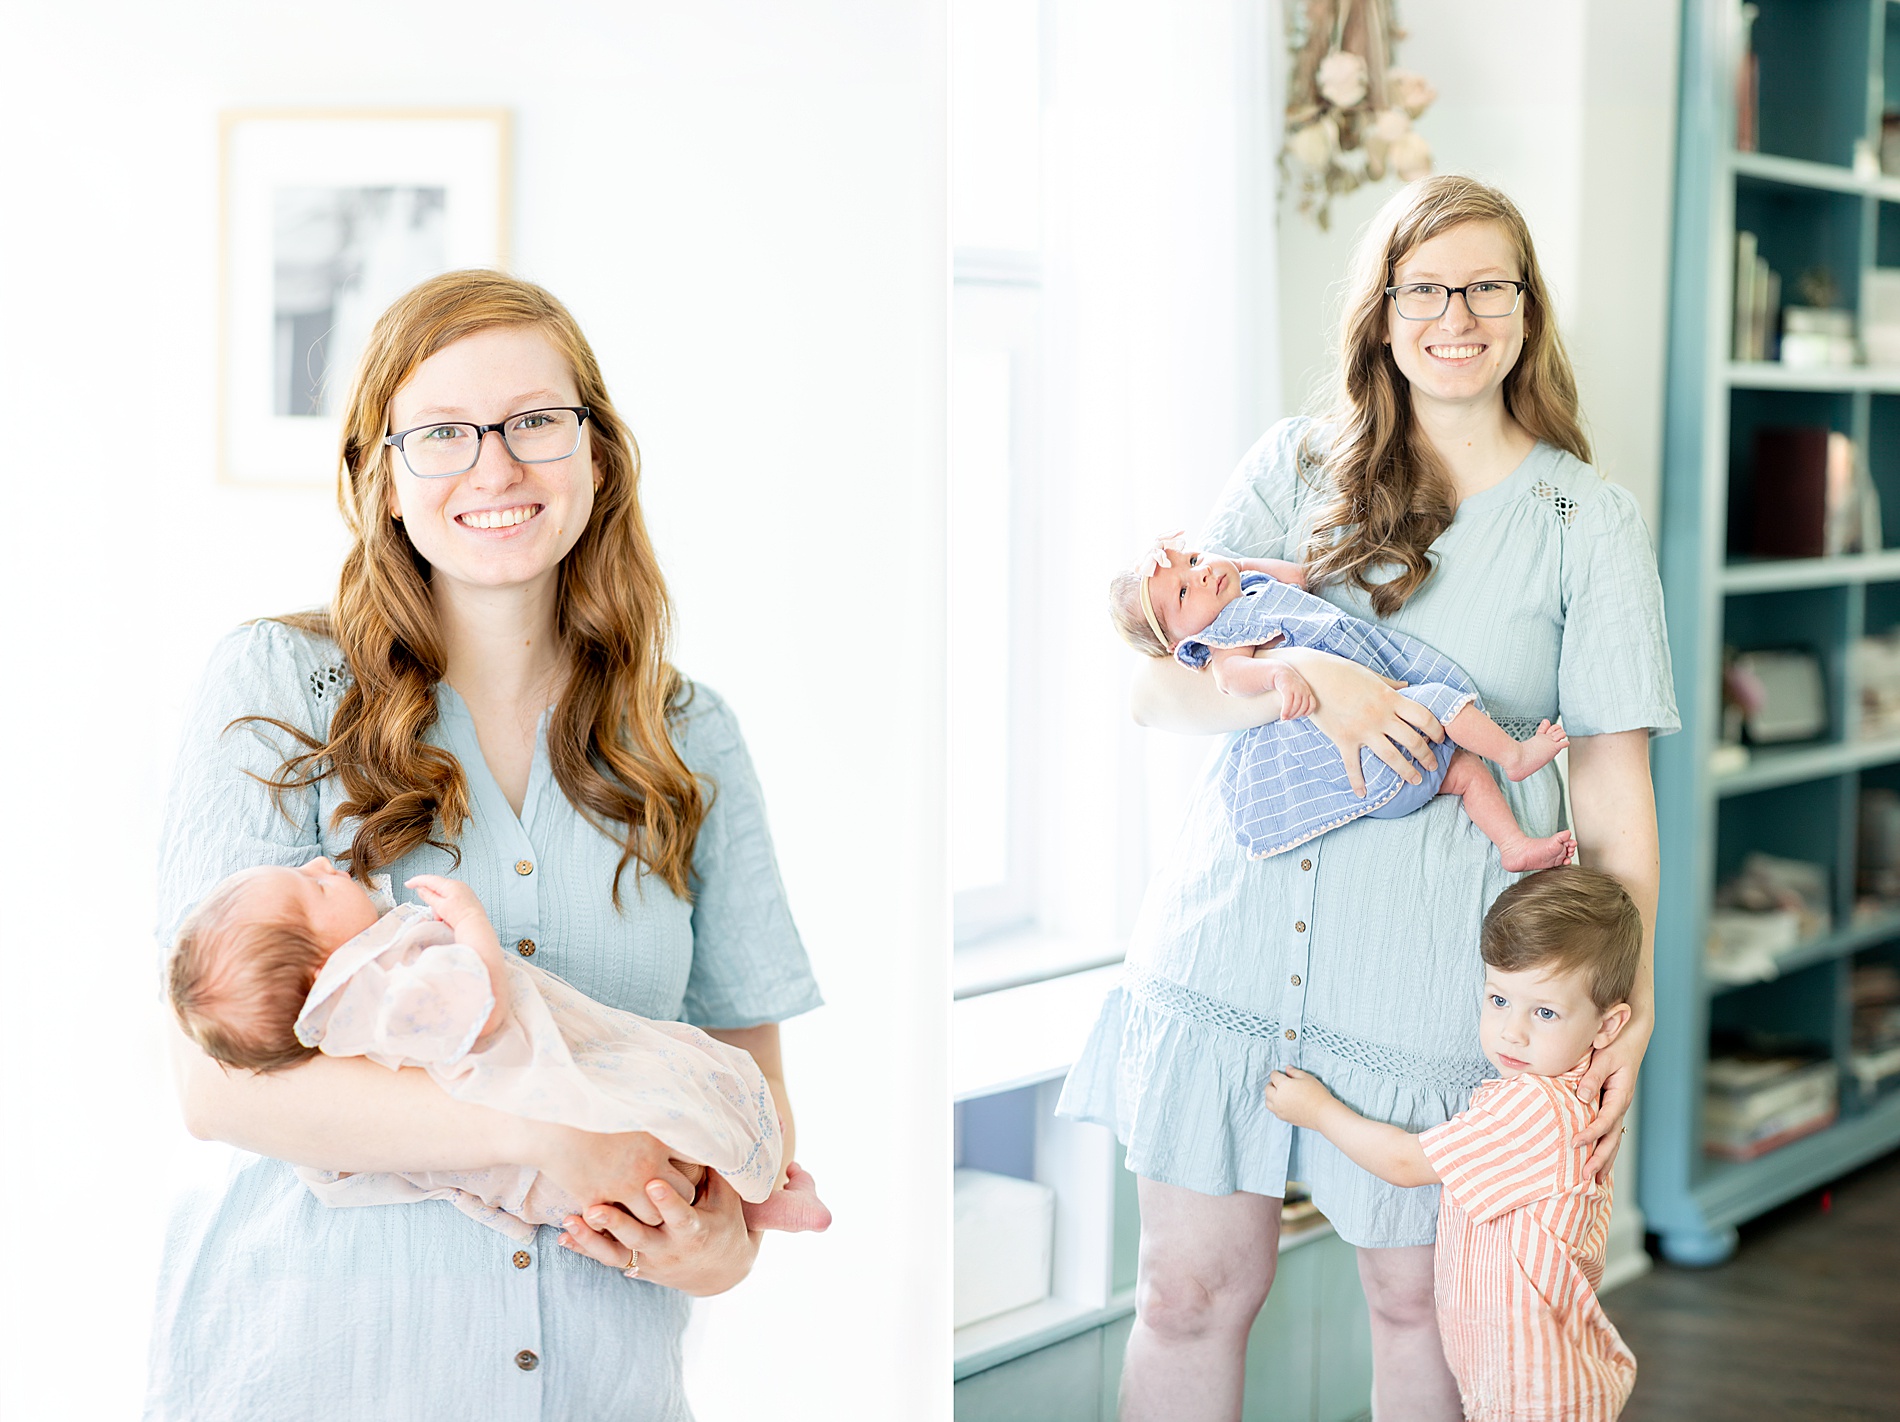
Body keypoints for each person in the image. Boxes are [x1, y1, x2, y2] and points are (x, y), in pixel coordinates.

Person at [148, 270, 822, 1421]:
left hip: (603, 1380)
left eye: (534, 423)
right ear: (382, 474)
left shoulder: (689, 736)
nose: (496, 467)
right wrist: (542, 1136)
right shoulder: (276, 686)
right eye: (444, 432)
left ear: (596, 454)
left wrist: (722, 1250)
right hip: (317, 1366)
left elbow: (747, 1074)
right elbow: (217, 1086)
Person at [1056, 173, 1677, 1422]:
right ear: (1381, 313)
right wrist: (1303, 679)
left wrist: (1631, 995)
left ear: (1525, 306)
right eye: (1425, 287)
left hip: (1438, 984)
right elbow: (1154, 694)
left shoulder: (1585, 520)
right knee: (1185, 1298)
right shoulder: (1291, 470)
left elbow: (1609, 781)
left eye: (1487, 284)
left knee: (1421, 1314)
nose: (1458, 313)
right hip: (1226, 953)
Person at [166, 861, 831, 1240]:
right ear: (319, 974)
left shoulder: (360, 1003)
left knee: (655, 1143)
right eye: (311, 891)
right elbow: (480, 1009)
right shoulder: (369, 996)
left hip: (544, 1169)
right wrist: (469, 923)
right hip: (542, 1124)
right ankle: (756, 1191)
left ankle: (753, 1197)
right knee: (654, 1107)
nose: (318, 866)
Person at [1263, 868, 1640, 1422]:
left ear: (1608, 1028)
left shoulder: (1535, 1107)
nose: (1512, 1032)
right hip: (1529, 1374)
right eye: (1498, 999)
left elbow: (1405, 1161)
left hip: (1537, 1390)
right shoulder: (1561, 1090)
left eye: (1544, 1012)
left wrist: (1318, 1111)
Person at [1108, 538, 1575, 869]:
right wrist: (1277, 671)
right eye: (1185, 592)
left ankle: (1512, 845)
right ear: (1178, 643)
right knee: (1440, 704)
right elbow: (1231, 680)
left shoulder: (1250, 593)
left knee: (1469, 774)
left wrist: (1233, 567)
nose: (1202, 572)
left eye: (1194, 558)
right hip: (1372, 755)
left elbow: (1296, 578)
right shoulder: (1220, 636)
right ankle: (1514, 757)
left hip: (1397, 754)